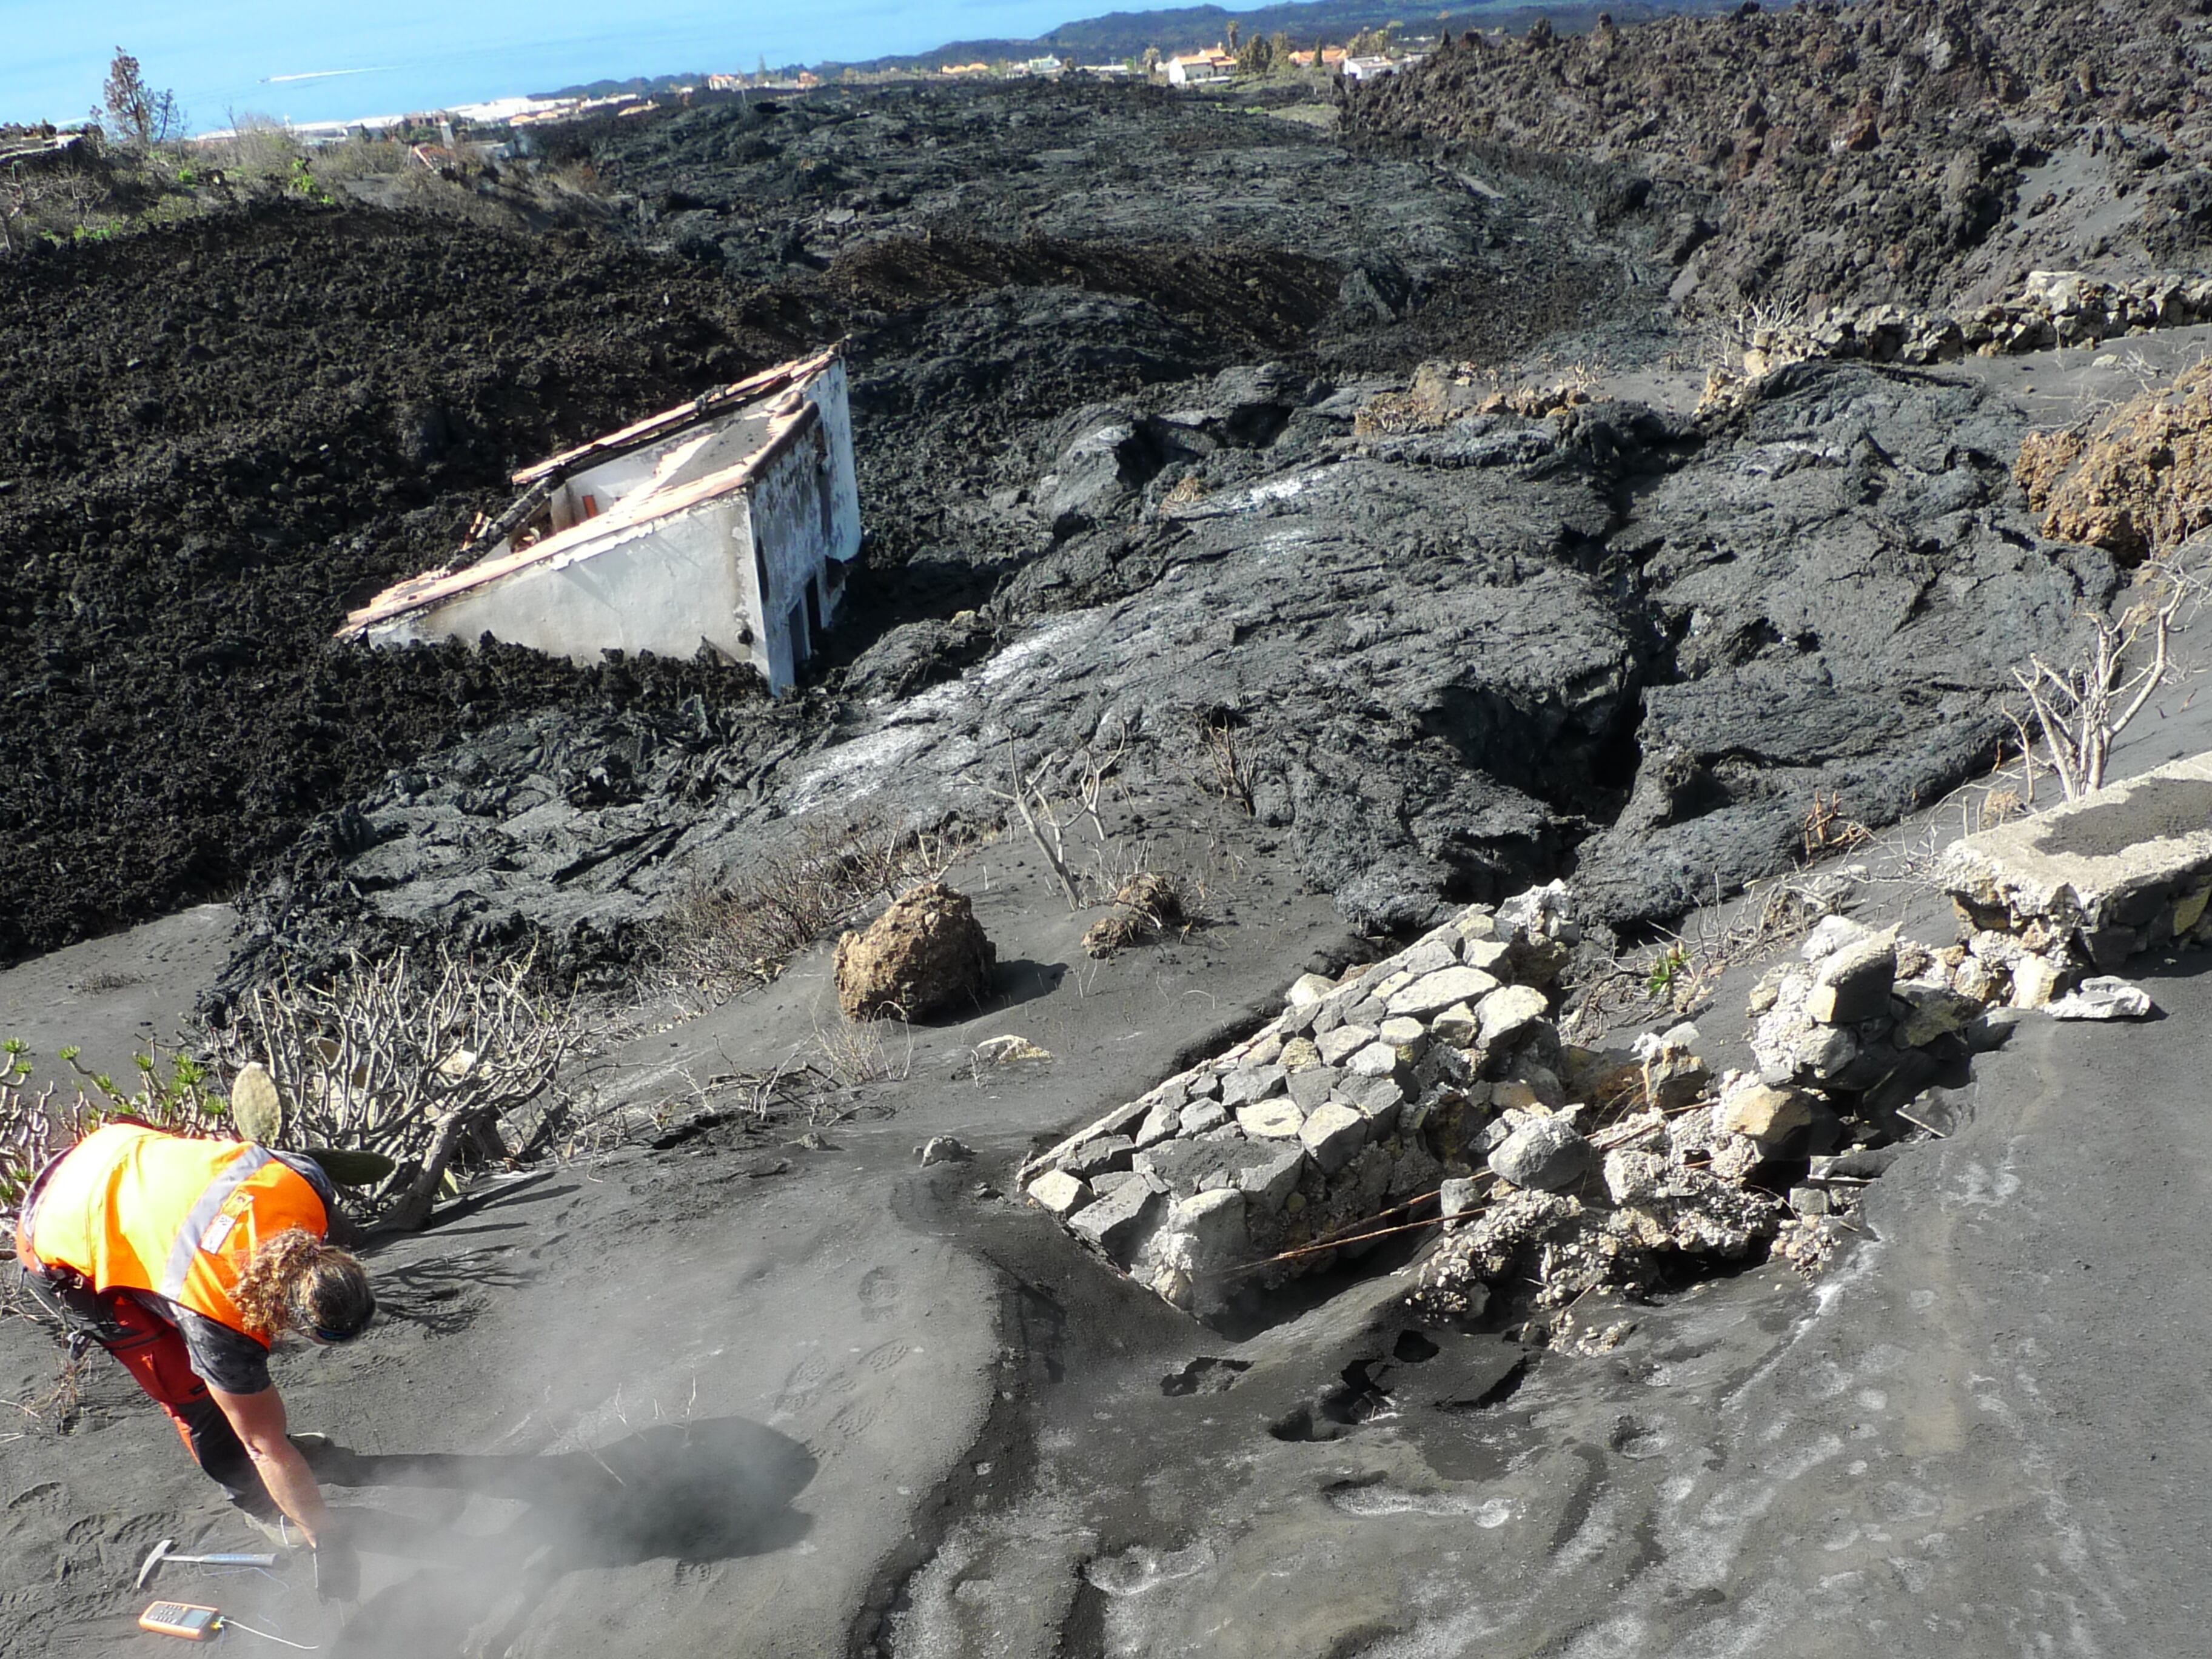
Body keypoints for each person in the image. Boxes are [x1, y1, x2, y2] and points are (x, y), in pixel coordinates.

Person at [12, 1120, 375, 1600]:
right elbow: (262, 1441)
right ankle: (260, 1506)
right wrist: (325, 1540)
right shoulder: (217, 1318)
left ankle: (289, 1475)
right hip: (58, 1232)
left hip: (116, 1154)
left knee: (243, 1404)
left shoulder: (302, 1183)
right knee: (192, 1394)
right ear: (291, 1314)